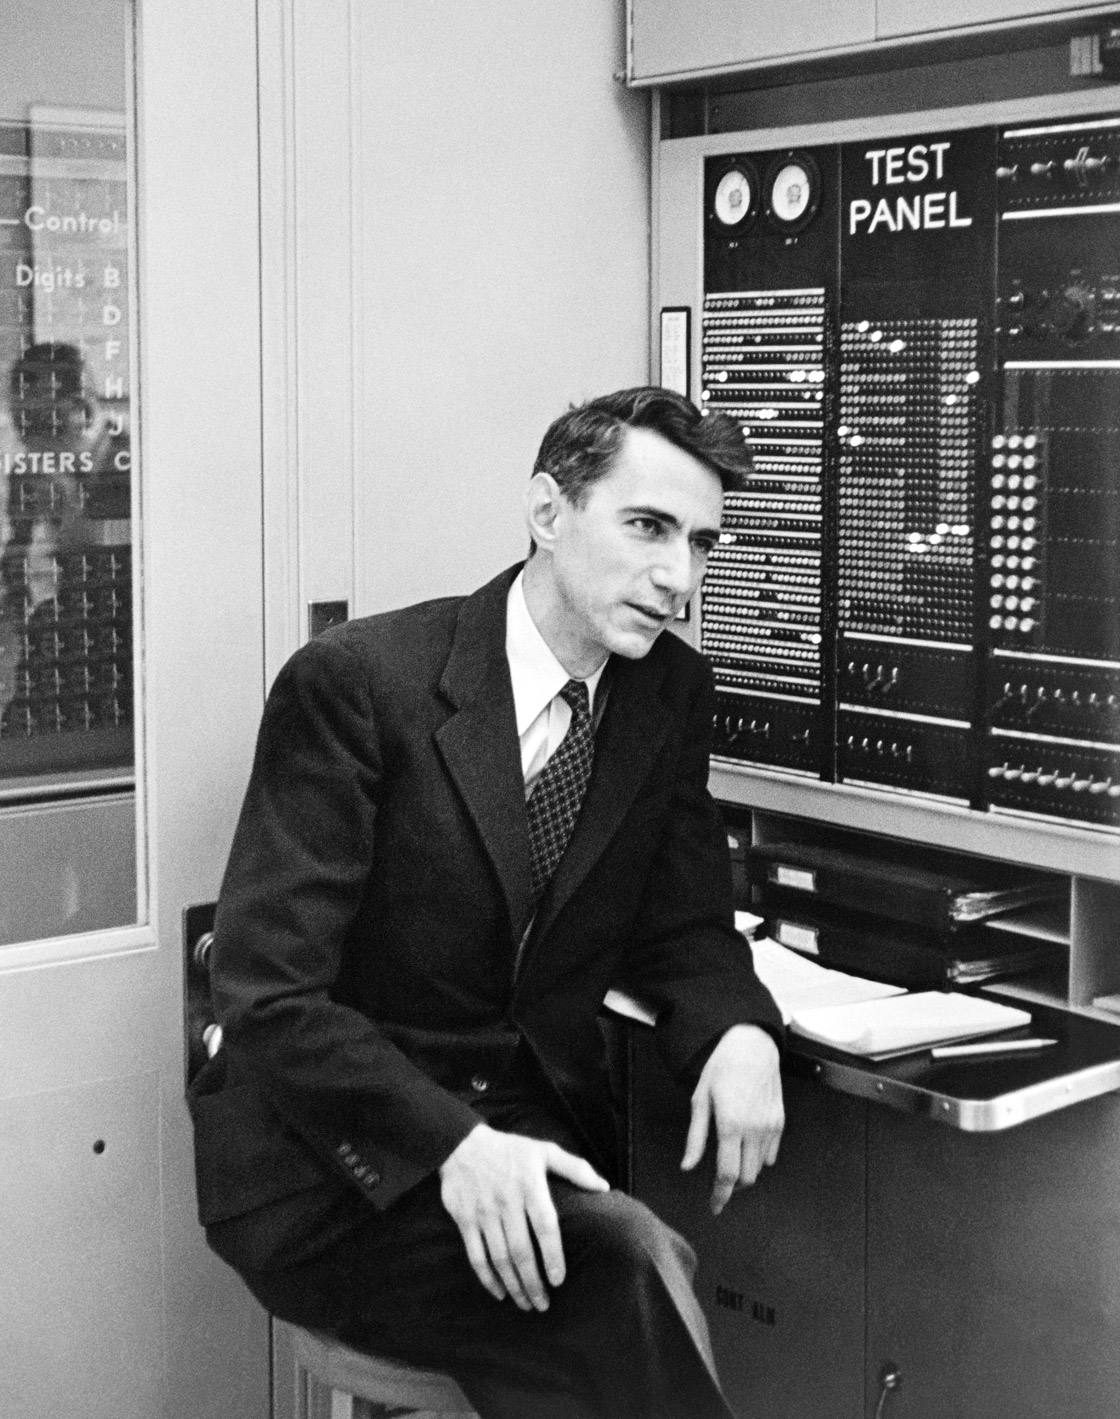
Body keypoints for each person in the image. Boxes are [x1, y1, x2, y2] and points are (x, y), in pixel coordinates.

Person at [190, 386, 785, 1419]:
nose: (676, 578)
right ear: (547, 512)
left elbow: (683, 920)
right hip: (328, 1161)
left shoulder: (667, 695)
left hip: (520, 1133)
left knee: (604, 1310)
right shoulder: (358, 683)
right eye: (647, 527)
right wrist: (450, 1146)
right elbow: (267, 997)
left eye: (700, 544)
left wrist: (737, 1031)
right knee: (628, 1269)